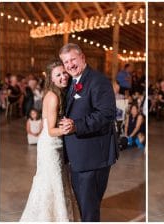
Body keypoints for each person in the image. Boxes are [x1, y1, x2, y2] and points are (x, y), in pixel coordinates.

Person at [58, 43, 119, 222]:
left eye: (72, 60)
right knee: (84, 205)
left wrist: (77, 125)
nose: (69, 65)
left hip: (93, 155)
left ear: (82, 57)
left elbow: (106, 114)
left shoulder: (98, 81)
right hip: (79, 155)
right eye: (66, 62)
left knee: (89, 208)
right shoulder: (72, 82)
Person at [20, 59, 79, 221]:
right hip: (51, 145)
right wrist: (71, 128)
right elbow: (52, 131)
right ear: (51, 78)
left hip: (55, 145)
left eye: (64, 73)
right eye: (58, 75)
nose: (63, 77)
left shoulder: (57, 92)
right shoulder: (53, 97)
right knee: (53, 182)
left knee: (55, 181)